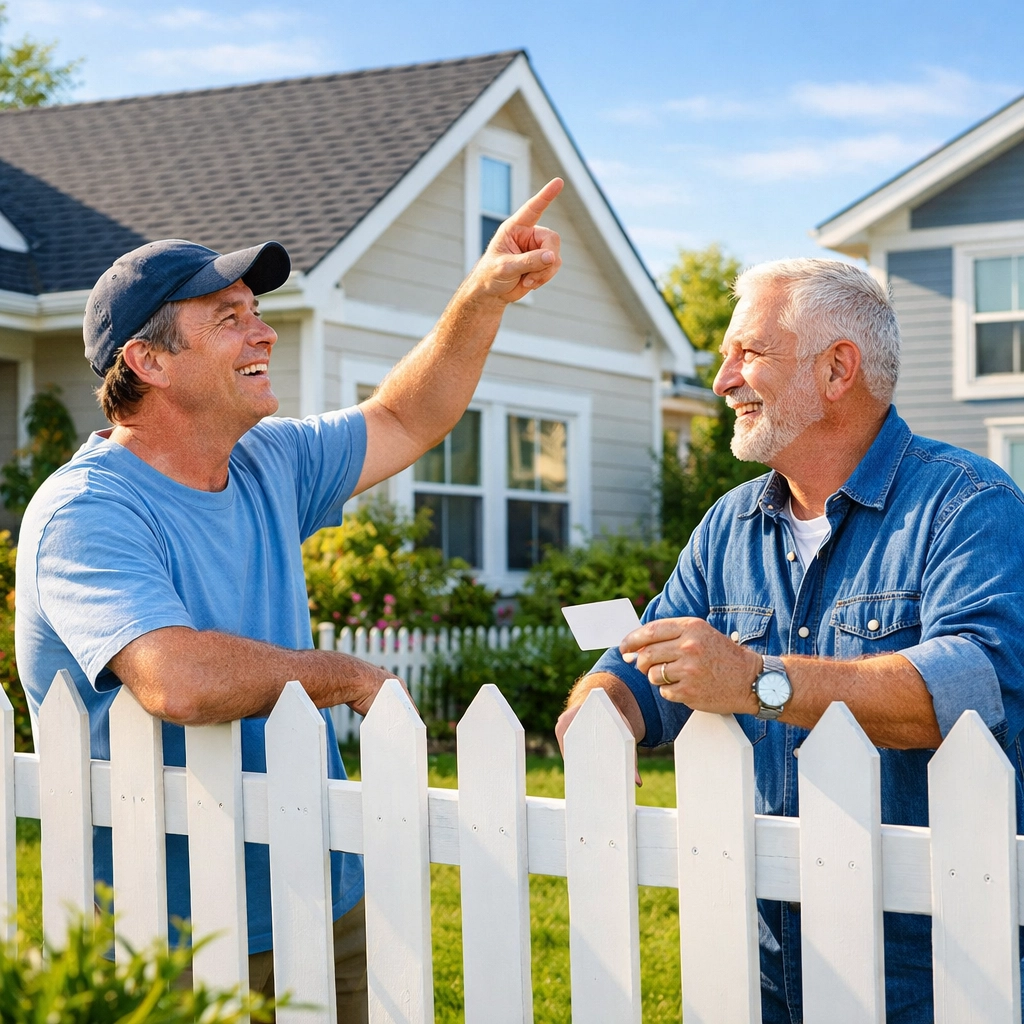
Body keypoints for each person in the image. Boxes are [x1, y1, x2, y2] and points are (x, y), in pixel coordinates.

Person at [15, 177, 563, 1020]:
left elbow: (407, 418)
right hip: (174, 930)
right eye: (227, 318)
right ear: (148, 361)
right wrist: (343, 675)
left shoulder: (268, 461)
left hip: (323, 887)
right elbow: (177, 679)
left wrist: (481, 295)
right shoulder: (88, 511)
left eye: (255, 310)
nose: (262, 329)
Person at [555, 257, 1024, 1024]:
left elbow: (971, 689)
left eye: (750, 353)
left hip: (936, 964)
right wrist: (604, 708)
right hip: (761, 957)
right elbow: (643, 660)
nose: (722, 381)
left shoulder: (968, 505)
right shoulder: (728, 525)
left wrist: (757, 681)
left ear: (839, 369)